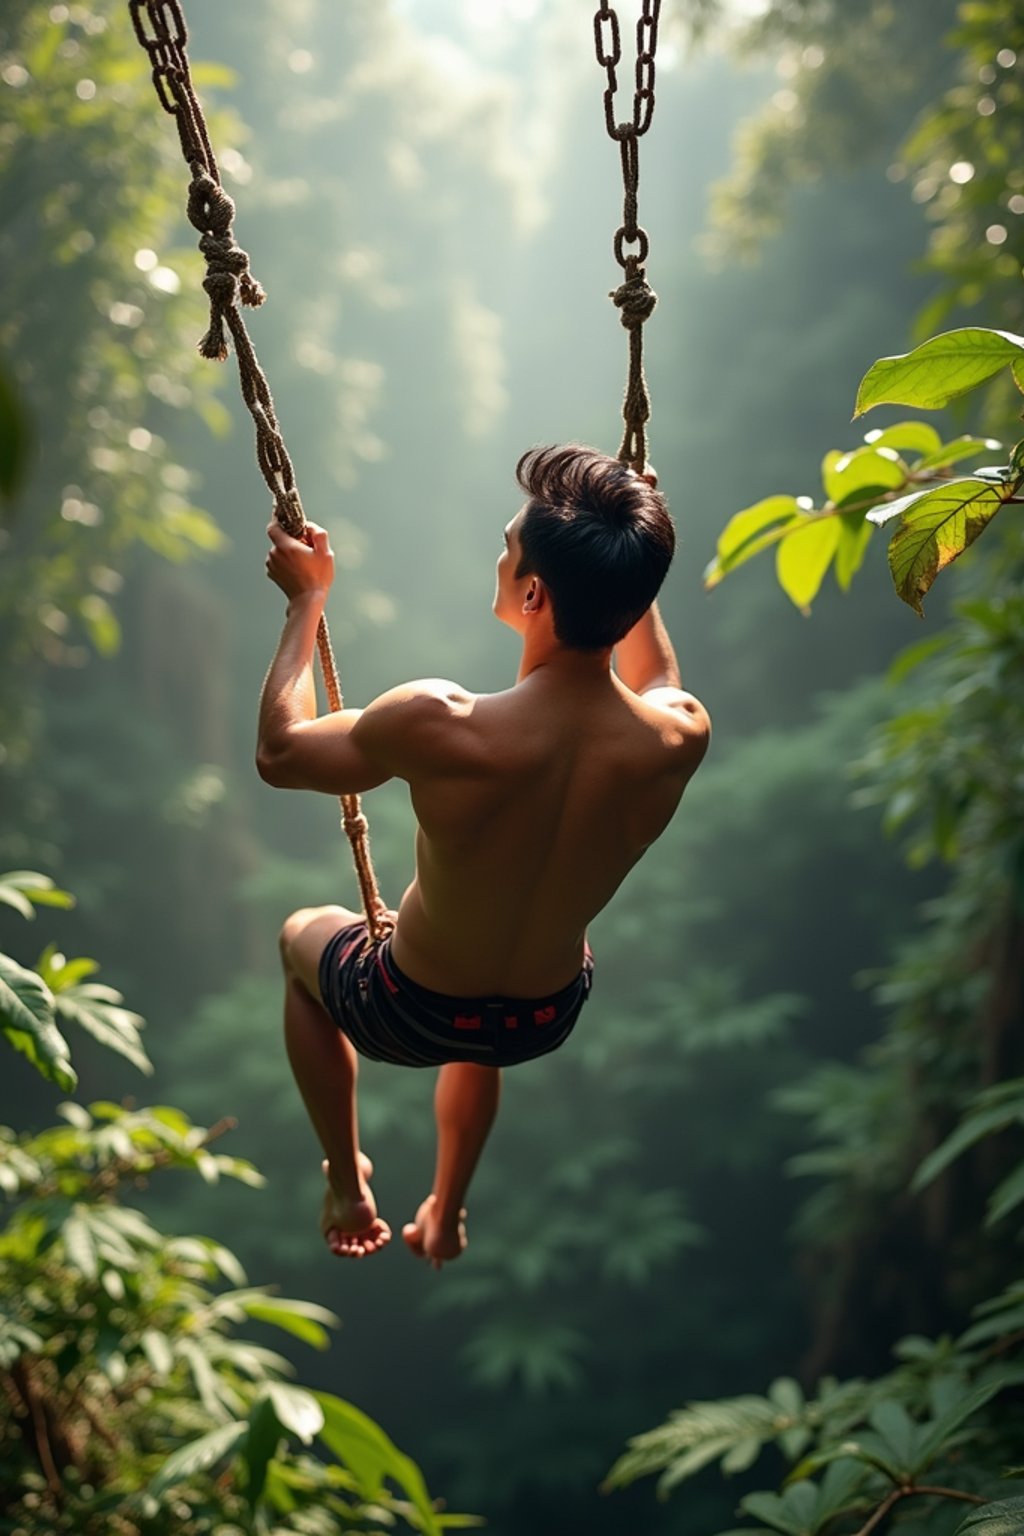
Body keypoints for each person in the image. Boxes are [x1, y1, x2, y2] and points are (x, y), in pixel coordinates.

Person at [257, 444, 710, 1267]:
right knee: (482, 1023)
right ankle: (449, 1207)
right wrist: (629, 551)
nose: (500, 557)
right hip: (544, 1017)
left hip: (403, 1005)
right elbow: (657, 673)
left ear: (532, 592)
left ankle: (345, 1174)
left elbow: (281, 754)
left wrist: (305, 602)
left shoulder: (441, 722)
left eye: (508, 548)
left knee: (300, 936)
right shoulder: (677, 735)